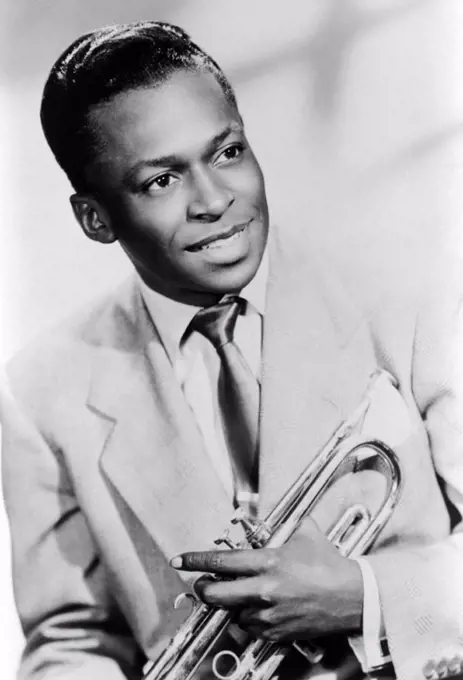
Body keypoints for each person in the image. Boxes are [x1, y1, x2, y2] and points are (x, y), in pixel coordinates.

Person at [1, 20, 463, 680]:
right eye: (161, 181)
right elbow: (75, 636)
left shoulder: (415, 296)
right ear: (95, 219)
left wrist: (363, 595)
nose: (215, 201)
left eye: (226, 154)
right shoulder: (41, 390)